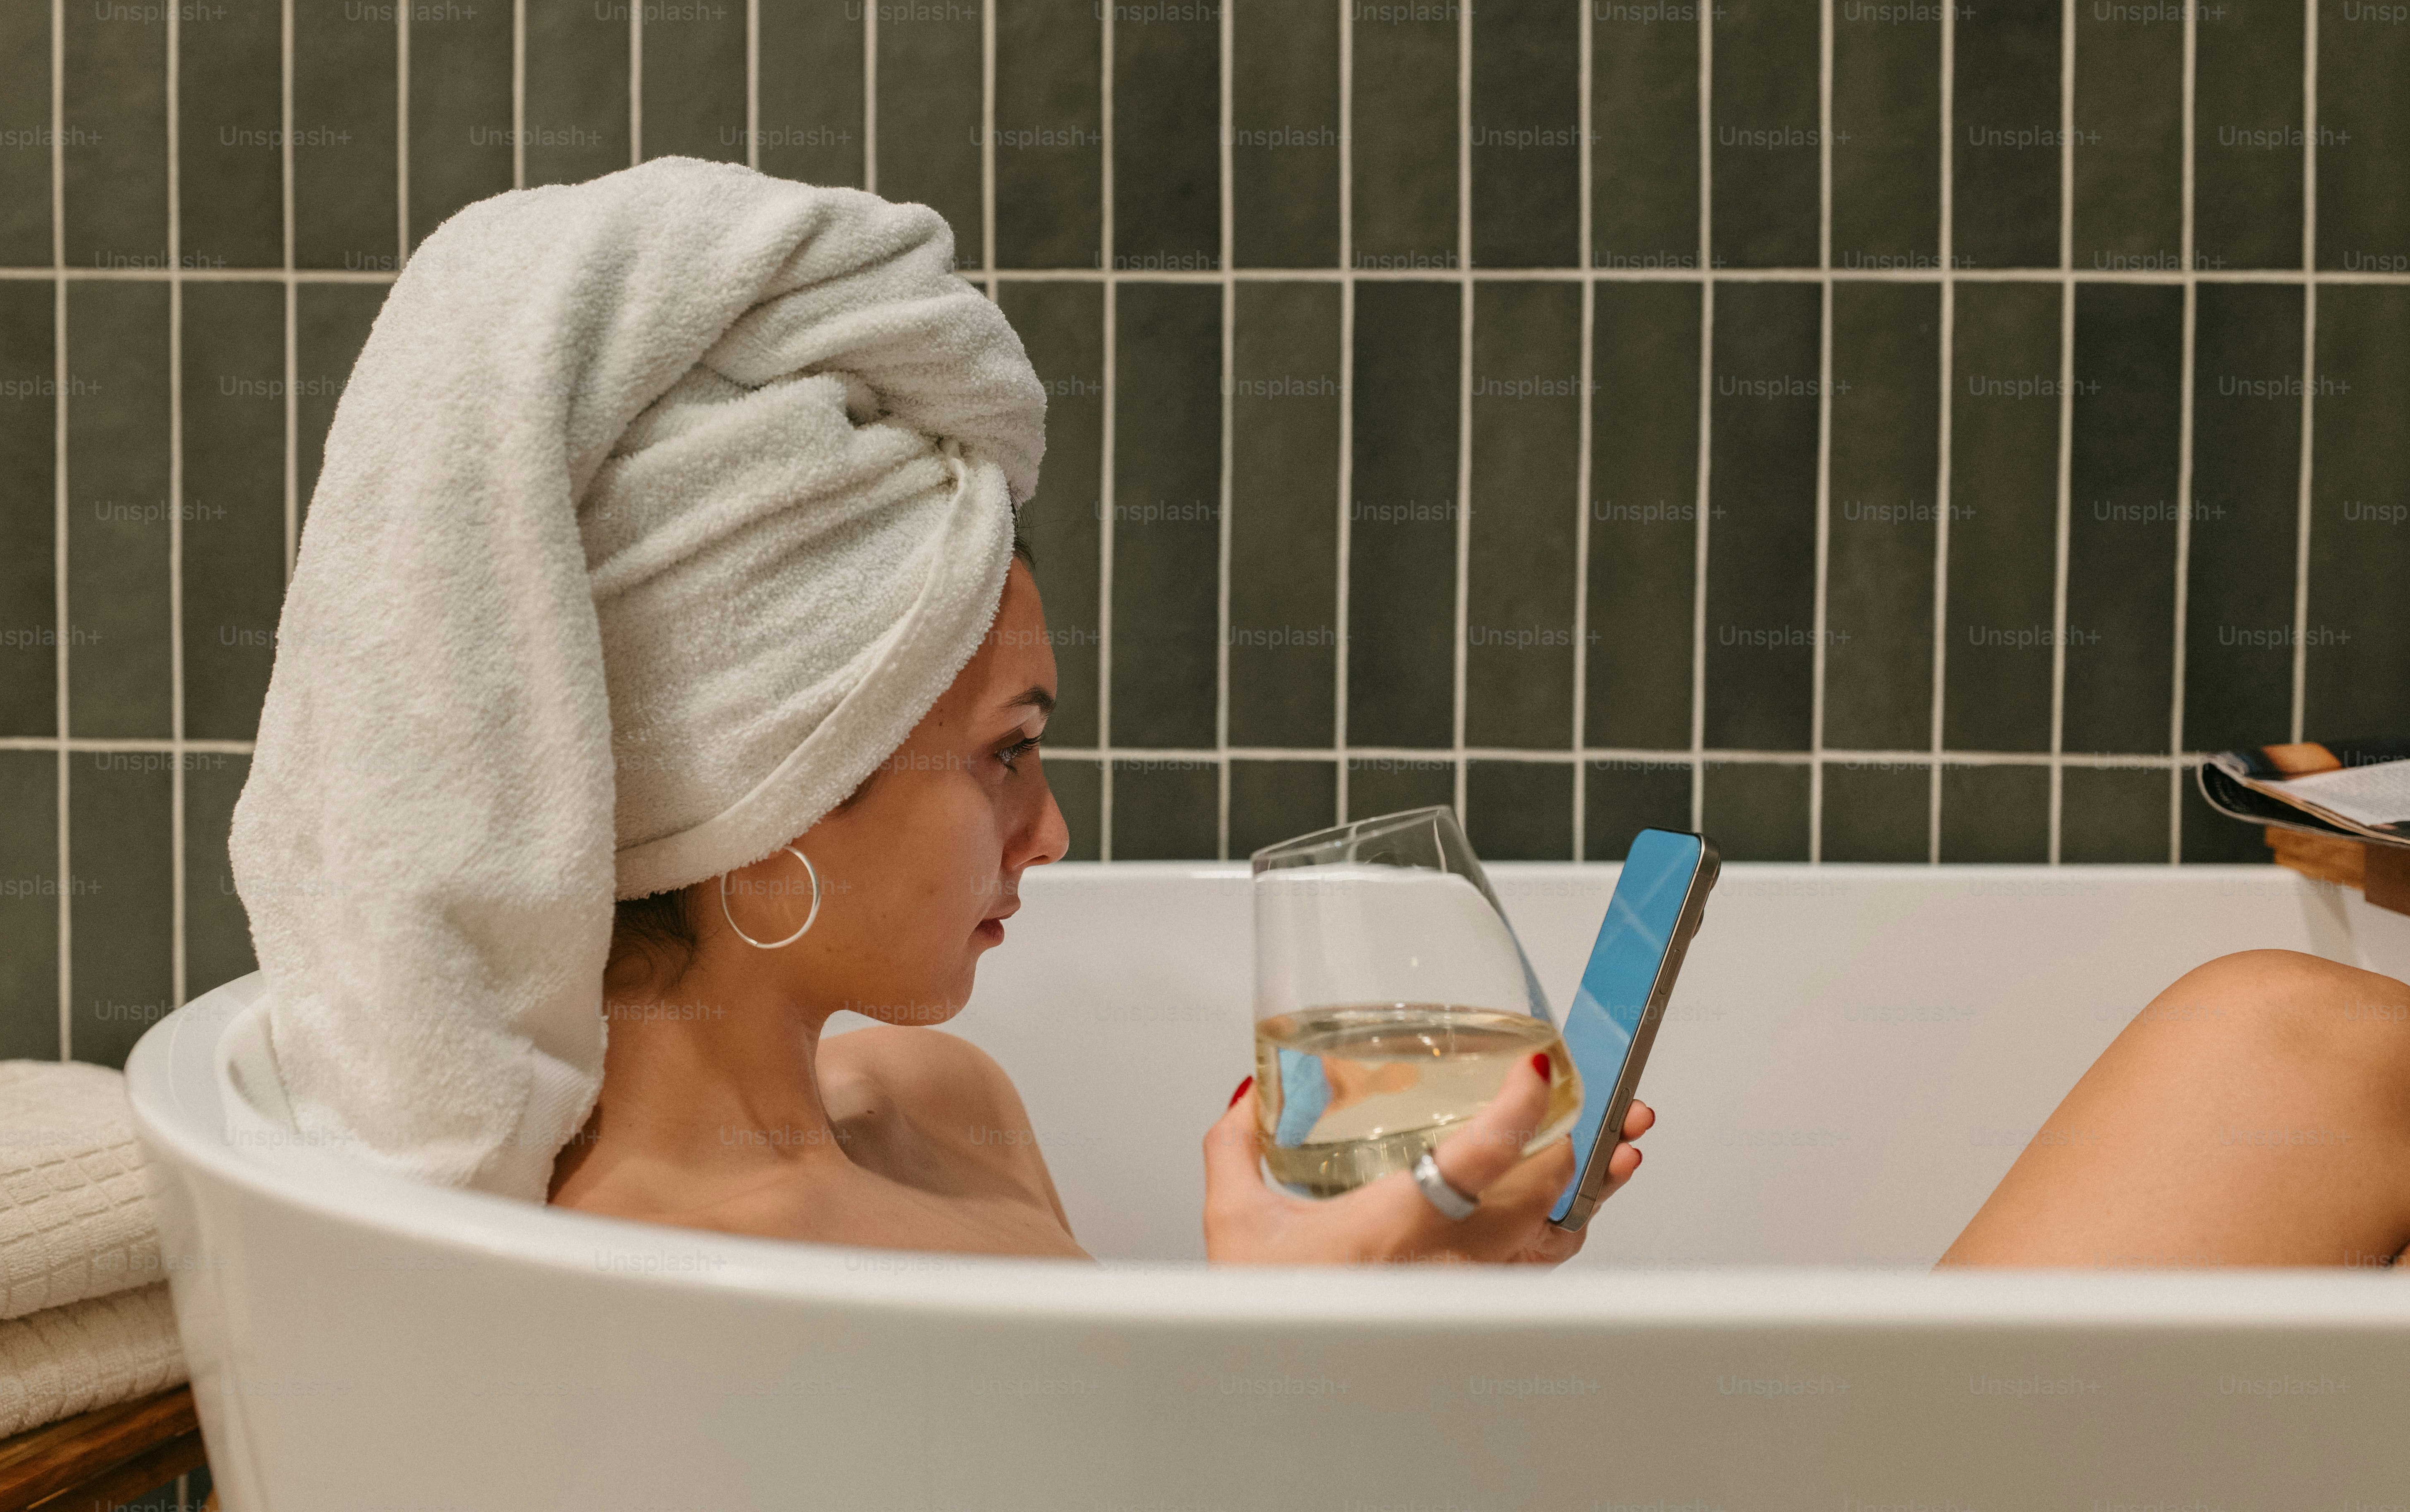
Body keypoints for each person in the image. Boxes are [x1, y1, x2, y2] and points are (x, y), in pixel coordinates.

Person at [546, 542, 2410, 1270]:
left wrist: (1409, 1295)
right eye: (1008, 753)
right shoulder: (653, 1267)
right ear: (770, 803)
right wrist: (1279, 1348)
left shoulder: (941, 1111)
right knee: (2315, 1057)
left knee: (2288, 1038)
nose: (1050, 831)